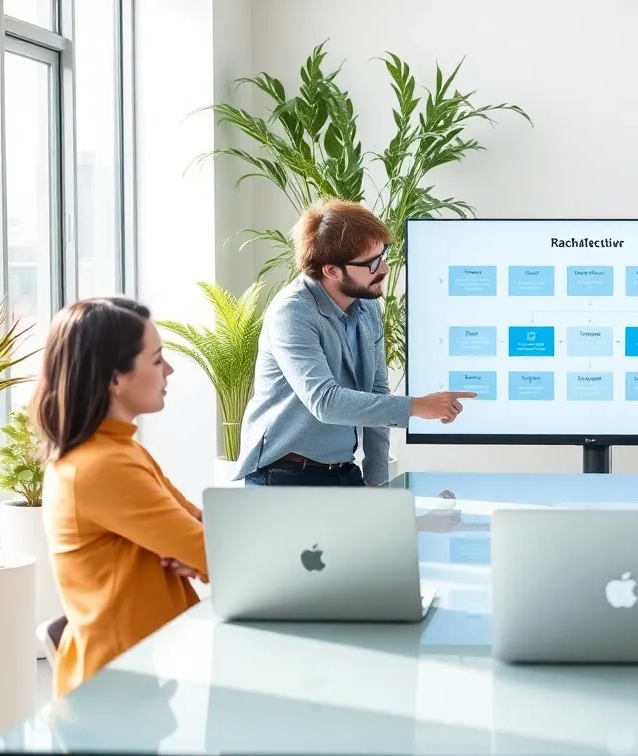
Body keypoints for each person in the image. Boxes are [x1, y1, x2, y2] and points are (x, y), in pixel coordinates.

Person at [31, 297, 208, 697]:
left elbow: (201, 527)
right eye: (157, 359)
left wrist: (194, 547)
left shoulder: (121, 451)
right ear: (116, 379)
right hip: (118, 692)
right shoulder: (101, 467)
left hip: (147, 673)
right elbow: (209, 548)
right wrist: (196, 550)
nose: (170, 370)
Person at [232, 199, 475, 487]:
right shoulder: (292, 312)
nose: (384, 268)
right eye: (372, 262)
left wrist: (376, 480)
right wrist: (417, 406)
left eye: (383, 254)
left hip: (342, 471)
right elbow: (324, 401)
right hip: (284, 476)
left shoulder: (367, 305)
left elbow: (377, 389)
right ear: (332, 271)